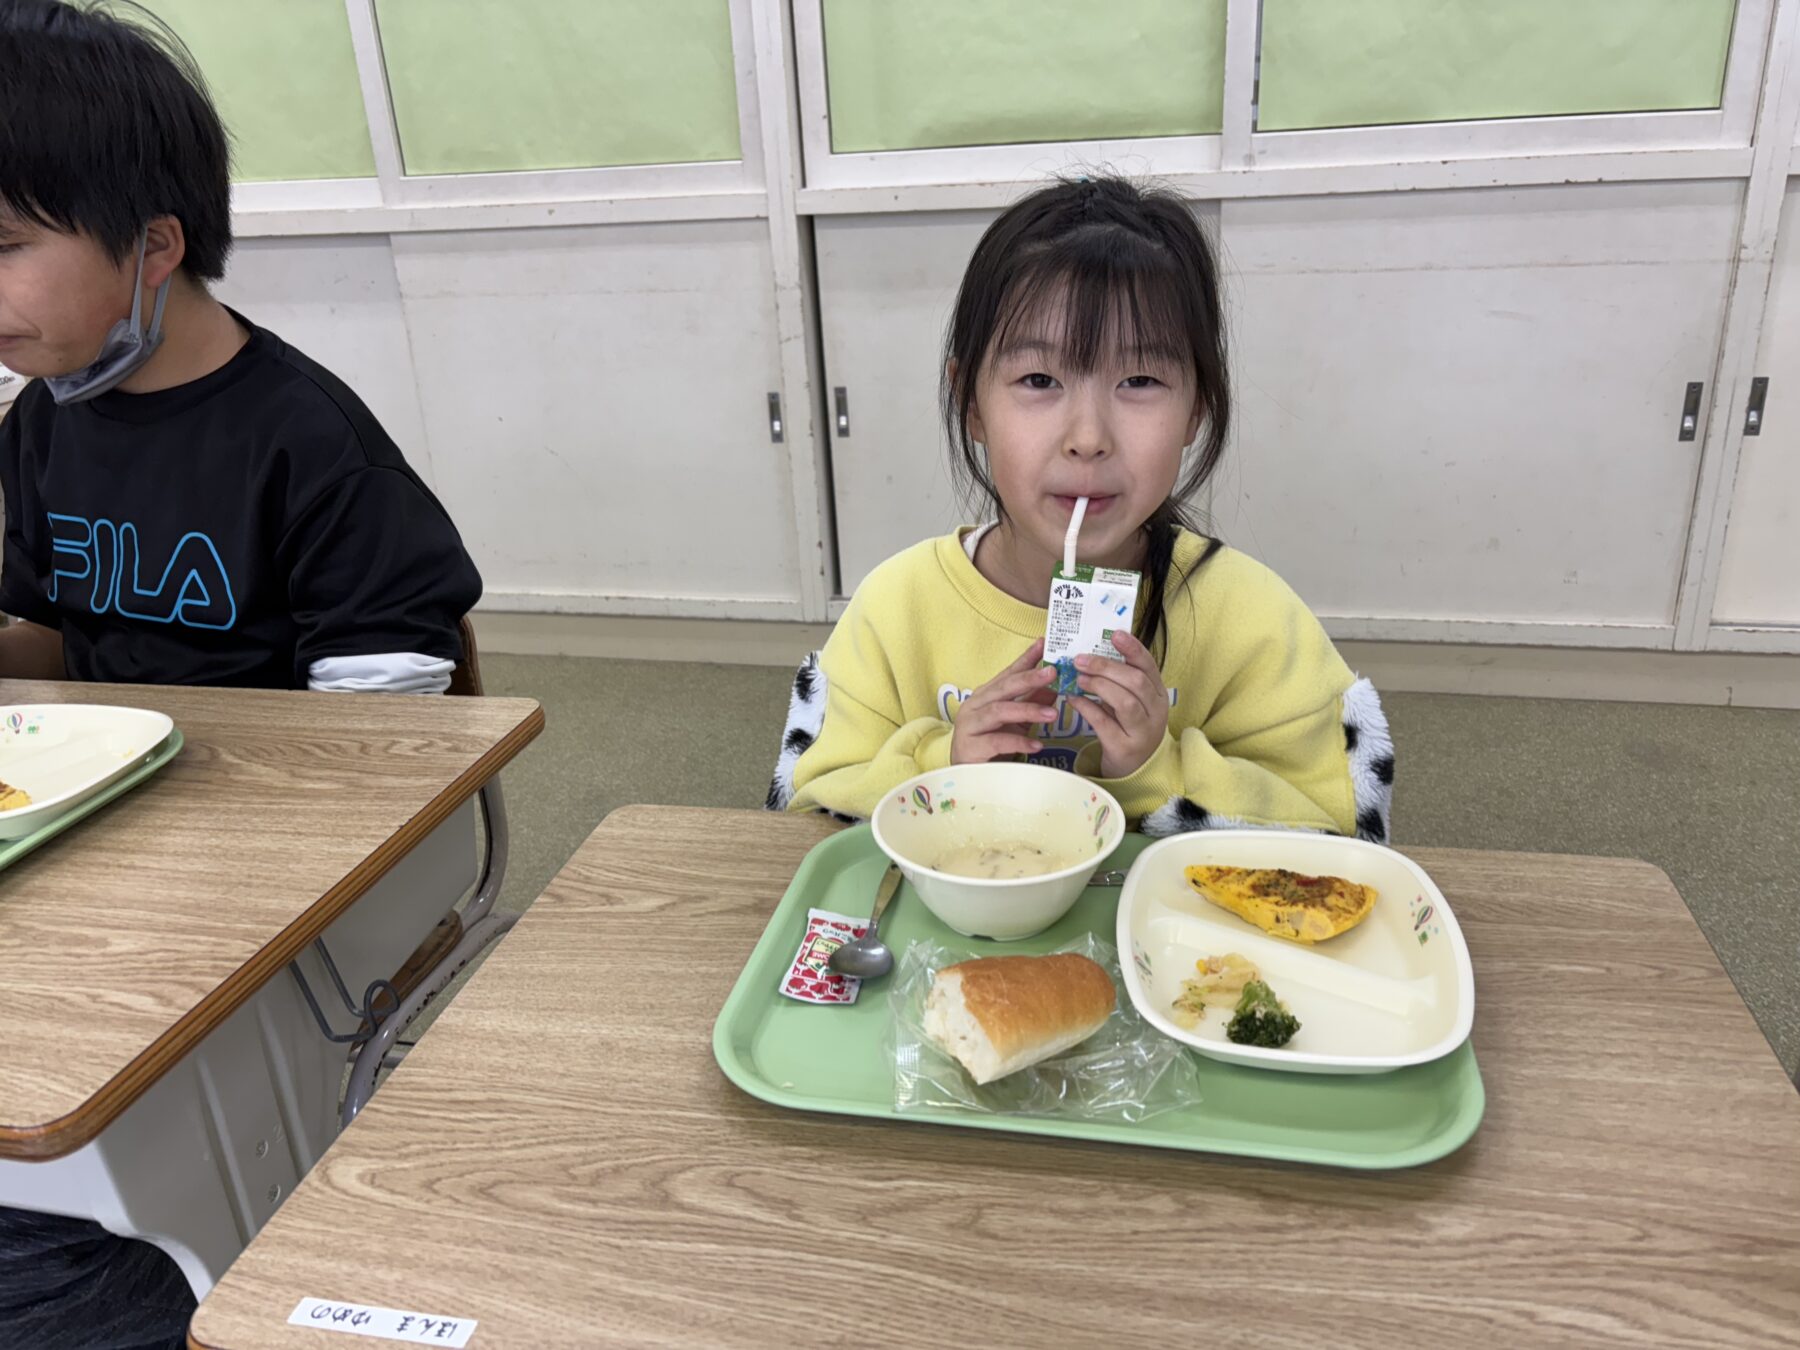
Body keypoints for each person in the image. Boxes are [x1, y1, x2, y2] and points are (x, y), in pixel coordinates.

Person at [0, 3, 481, 1344]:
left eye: (4, 247)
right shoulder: (43, 427)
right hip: (96, 850)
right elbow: (48, 635)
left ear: (154, 246)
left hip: (268, 889)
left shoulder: (305, 442)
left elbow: (388, 748)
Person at [770, 175, 1393, 841]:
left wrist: (1160, 767)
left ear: (1197, 409)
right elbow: (803, 815)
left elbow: (1342, 832)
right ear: (971, 404)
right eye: (1039, 380)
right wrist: (942, 765)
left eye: (1140, 381)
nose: (1089, 438)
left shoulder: (1252, 619)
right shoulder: (897, 608)